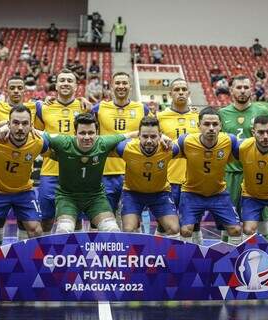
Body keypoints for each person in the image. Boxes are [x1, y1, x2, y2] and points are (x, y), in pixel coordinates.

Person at [44, 113, 136, 234]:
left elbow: (130, 134)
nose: (87, 137)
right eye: (82, 133)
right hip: (68, 197)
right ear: (75, 133)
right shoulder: (64, 142)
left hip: (95, 197)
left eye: (91, 133)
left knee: (112, 230)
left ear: (97, 133)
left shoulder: (103, 143)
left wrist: (162, 137)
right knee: (64, 231)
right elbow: (41, 134)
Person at [0, 106, 49, 243]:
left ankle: (34, 263)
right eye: (15, 123)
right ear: (8, 124)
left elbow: (55, 150)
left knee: (36, 230)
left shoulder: (40, 142)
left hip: (24, 192)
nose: (20, 128)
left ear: (31, 125)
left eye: (25, 123)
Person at [35, 69, 91, 234]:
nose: (65, 83)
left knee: (77, 219)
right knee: (46, 218)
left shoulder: (85, 107)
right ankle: (45, 254)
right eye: (62, 80)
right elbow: (37, 138)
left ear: (76, 87)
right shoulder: (43, 108)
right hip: (50, 171)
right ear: (56, 85)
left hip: (77, 171)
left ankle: (76, 255)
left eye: (69, 80)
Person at [219, 75, 268, 241]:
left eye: (246, 87)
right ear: (231, 90)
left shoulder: (262, 111)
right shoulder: (222, 113)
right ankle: (226, 255)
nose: (242, 91)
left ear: (251, 90)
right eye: (238, 87)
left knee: (263, 218)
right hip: (231, 173)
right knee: (229, 219)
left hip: (257, 173)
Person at [178, 107, 242, 245]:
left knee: (236, 230)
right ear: (199, 125)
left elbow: (247, 151)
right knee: (186, 230)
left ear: (221, 126)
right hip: (191, 193)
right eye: (207, 124)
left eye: (215, 124)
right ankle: (189, 262)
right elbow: (166, 151)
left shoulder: (229, 141)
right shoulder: (186, 141)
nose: (211, 128)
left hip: (218, 193)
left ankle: (231, 262)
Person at [92, 72, 149, 215]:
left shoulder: (142, 109)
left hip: (133, 172)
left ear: (130, 86)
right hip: (106, 172)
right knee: (105, 217)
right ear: (111, 86)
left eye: (124, 83)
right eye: (117, 83)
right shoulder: (99, 109)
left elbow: (155, 133)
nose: (121, 86)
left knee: (132, 220)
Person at [115, 116, 180, 238]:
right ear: (138, 135)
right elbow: (105, 146)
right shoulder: (125, 148)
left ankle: (158, 239)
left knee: (174, 229)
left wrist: (168, 138)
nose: (149, 140)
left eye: (153, 136)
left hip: (160, 193)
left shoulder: (170, 149)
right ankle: (137, 239)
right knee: (129, 229)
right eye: (145, 136)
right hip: (132, 193)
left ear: (160, 135)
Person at [157, 78, 203, 244]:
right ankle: (157, 259)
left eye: (184, 89)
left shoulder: (199, 118)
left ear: (189, 93)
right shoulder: (159, 117)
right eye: (177, 90)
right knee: (165, 225)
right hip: (168, 179)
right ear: (170, 94)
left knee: (195, 225)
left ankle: (198, 260)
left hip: (194, 181)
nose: (181, 92)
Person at [234, 115, 268, 241]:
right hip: (251, 195)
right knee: (248, 229)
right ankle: (248, 258)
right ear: (253, 132)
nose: (266, 136)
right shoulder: (242, 147)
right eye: (261, 132)